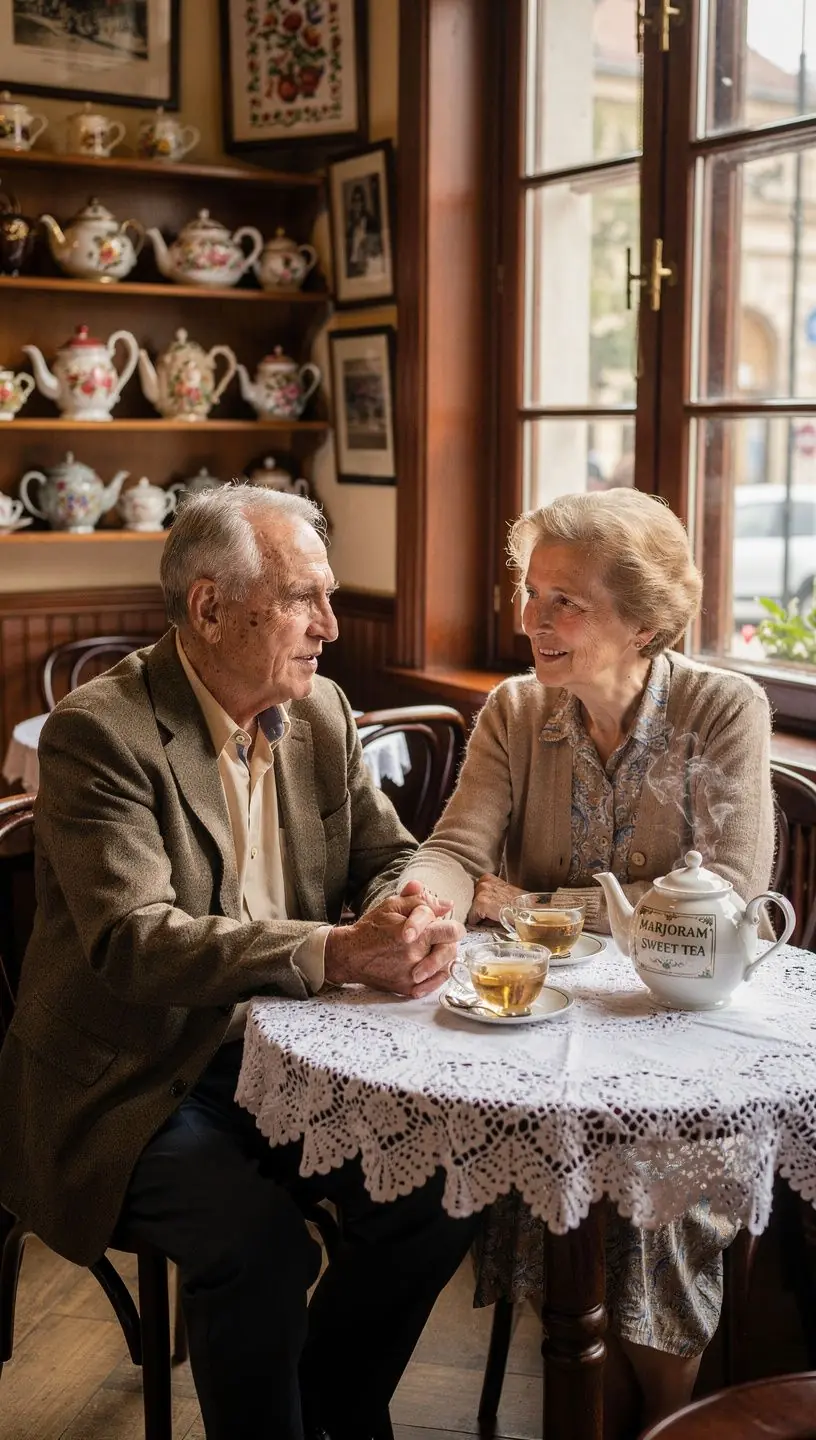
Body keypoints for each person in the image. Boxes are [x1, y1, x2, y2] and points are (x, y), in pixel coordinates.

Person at [0, 485, 476, 1440]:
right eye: (304, 598)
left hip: (283, 1056)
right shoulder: (100, 733)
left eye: (329, 596)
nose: (332, 626)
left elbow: (382, 855)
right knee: (253, 1245)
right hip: (130, 1076)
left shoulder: (324, 712)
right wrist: (337, 949)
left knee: (444, 1188)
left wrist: (416, 906)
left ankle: (329, 1412)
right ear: (211, 607)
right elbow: (136, 940)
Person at [399, 487, 776, 1436]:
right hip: (550, 1037)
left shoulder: (724, 708)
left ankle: (662, 1420)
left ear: (644, 619)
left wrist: (526, 904)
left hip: (686, 1037)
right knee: (553, 1174)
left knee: (656, 1184)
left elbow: (723, 900)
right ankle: (598, 1413)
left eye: (565, 599)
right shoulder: (515, 714)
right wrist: (414, 900)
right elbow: (456, 849)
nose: (532, 618)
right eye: (532, 592)